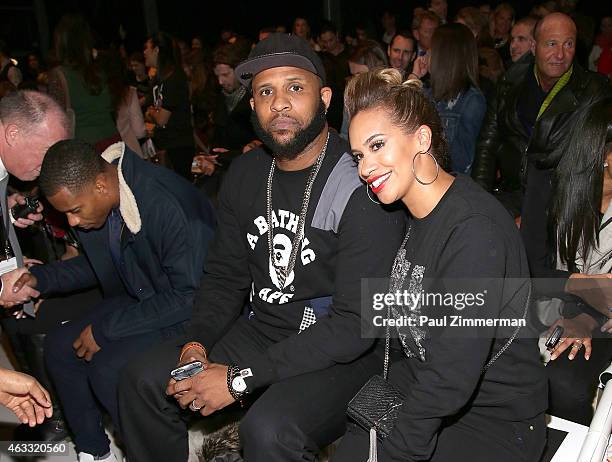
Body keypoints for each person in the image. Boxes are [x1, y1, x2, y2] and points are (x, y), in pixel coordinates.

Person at [118, 33, 405, 462]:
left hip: (344, 349)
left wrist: (238, 379)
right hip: (264, 329)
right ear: (251, 105)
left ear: (324, 98)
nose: (280, 103)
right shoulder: (247, 173)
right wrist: (197, 343)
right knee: (141, 380)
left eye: (295, 88)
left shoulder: (360, 179)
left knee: (270, 430)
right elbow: (225, 276)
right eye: (265, 92)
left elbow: (354, 326)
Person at [334, 67, 546, 462]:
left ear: (422, 138)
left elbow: (451, 377)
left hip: (495, 419)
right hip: (428, 387)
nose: (364, 168)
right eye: (359, 155)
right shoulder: (418, 214)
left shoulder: (473, 231)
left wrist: (396, 449)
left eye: (378, 146)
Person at [9, 139, 215, 462]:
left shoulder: (164, 204)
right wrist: (41, 279)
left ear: (101, 184)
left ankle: (149, 451)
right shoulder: (101, 199)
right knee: (61, 346)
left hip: (196, 310)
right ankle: (95, 452)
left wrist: (107, 330)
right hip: (147, 297)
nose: (72, 223)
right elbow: (97, 265)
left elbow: (191, 296)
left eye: (74, 211)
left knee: (108, 368)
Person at [472, 13, 612, 218]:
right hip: (510, 194)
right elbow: (487, 143)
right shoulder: (510, 82)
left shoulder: (594, 92)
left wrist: (533, 219)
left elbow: (589, 168)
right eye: (552, 44)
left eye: (569, 44)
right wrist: (478, 201)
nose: (560, 54)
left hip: (560, 206)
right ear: (534, 46)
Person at [538, 97, 612, 425]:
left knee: (565, 383)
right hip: (544, 308)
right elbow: (524, 268)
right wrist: (575, 287)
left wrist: (587, 320)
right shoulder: (553, 190)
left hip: (599, 323)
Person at [409, 23, 486, 174]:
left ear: (444, 56)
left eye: (431, 50)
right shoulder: (428, 93)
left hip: (447, 187)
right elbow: (399, 115)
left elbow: (460, 163)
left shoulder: (471, 101)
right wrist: (414, 76)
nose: (426, 54)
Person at [47, 14, 119, 152]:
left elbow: (57, 121)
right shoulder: (100, 68)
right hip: (113, 140)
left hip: (85, 148)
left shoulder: (59, 75)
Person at [144, 32, 195, 179]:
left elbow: (161, 119)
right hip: (165, 145)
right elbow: (150, 111)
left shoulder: (174, 78)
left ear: (157, 50)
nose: (144, 52)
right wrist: (153, 112)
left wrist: (152, 113)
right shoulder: (160, 80)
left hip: (178, 148)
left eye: (147, 48)